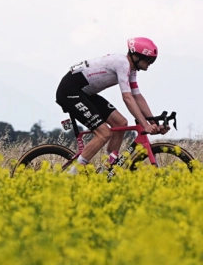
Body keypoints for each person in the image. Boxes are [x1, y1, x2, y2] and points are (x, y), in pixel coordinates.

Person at [56, 37, 165, 172]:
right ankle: (71, 176)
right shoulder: (123, 64)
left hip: (84, 93)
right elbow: (127, 98)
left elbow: (137, 96)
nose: (150, 64)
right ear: (136, 57)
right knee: (104, 133)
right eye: (148, 60)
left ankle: (106, 171)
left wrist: (153, 122)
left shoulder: (131, 70)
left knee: (121, 123)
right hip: (69, 91)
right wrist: (145, 125)